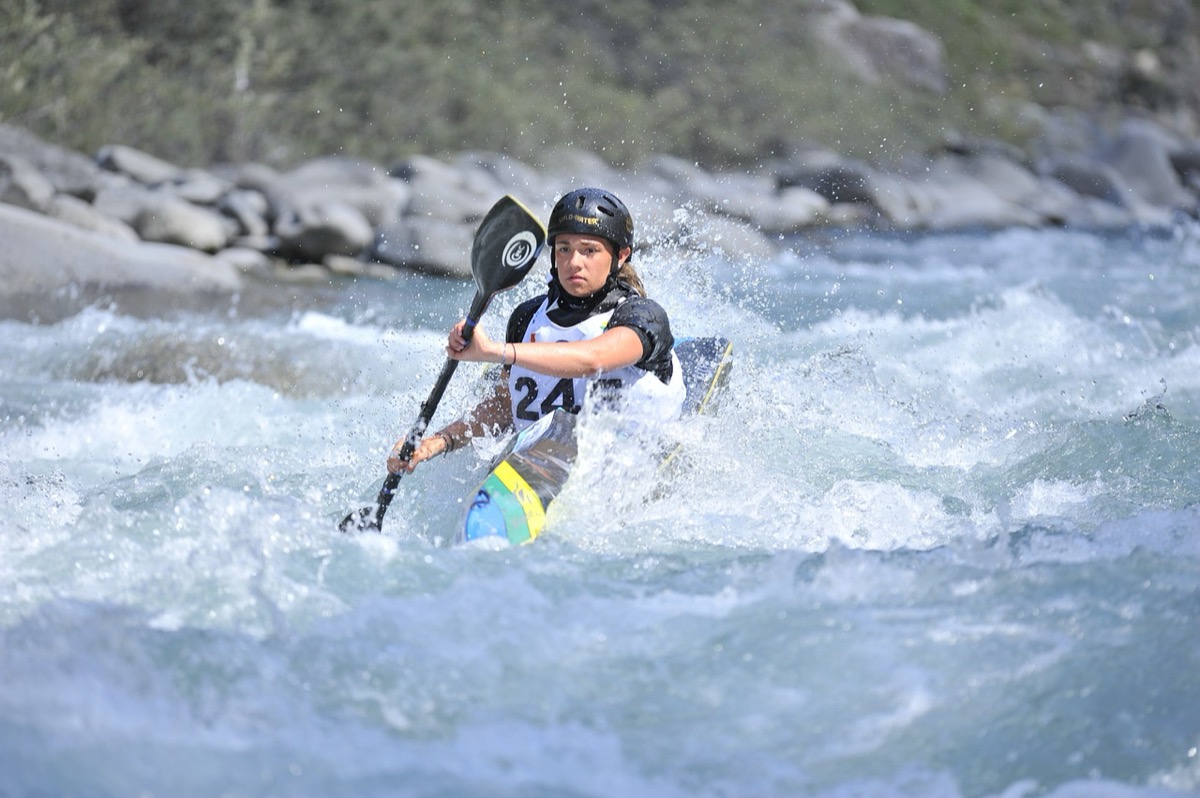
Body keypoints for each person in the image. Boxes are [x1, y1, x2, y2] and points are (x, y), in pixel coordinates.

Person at [388, 187, 685, 475]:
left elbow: (593, 359)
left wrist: (495, 352)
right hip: (541, 462)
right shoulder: (527, 317)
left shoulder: (643, 315)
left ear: (620, 256)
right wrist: (437, 443)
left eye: (589, 251)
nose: (574, 262)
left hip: (624, 460)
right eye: (564, 248)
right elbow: (505, 406)